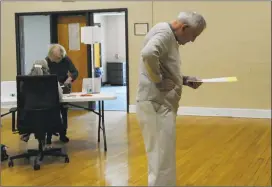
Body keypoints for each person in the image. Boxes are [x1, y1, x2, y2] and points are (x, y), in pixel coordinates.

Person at [136, 11, 207, 186]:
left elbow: (162, 65)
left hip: (160, 105)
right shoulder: (164, 34)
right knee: (161, 158)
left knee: (163, 157)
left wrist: (183, 80)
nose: (193, 40)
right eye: (194, 35)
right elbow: (148, 54)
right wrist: (158, 81)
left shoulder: (167, 36)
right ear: (184, 27)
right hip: (155, 105)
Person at [20, 60, 64, 145]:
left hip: (29, 119)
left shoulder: (25, 81)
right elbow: (60, 97)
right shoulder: (52, 80)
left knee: (33, 114)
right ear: (46, 68)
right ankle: (43, 143)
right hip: (50, 118)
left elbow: (22, 99)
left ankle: (29, 134)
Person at [45, 44, 79, 143]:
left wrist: (70, 78)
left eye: (59, 57)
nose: (57, 59)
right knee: (50, 112)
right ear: (51, 55)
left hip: (63, 87)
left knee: (64, 111)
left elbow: (75, 72)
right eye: (55, 58)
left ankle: (63, 134)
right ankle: (49, 137)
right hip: (50, 88)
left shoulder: (66, 59)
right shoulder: (46, 61)